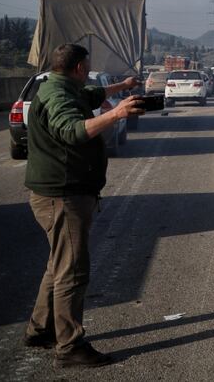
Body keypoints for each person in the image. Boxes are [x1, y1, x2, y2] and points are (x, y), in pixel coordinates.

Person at [23, 43, 144, 367]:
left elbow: (92, 94)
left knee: (58, 265)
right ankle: (70, 347)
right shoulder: (59, 96)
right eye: (87, 67)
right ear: (78, 67)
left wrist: (121, 88)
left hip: (62, 192)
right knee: (72, 272)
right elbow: (72, 131)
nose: (88, 73)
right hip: (62, 196)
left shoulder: (61, 86)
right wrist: (116, 113)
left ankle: (40, 328)